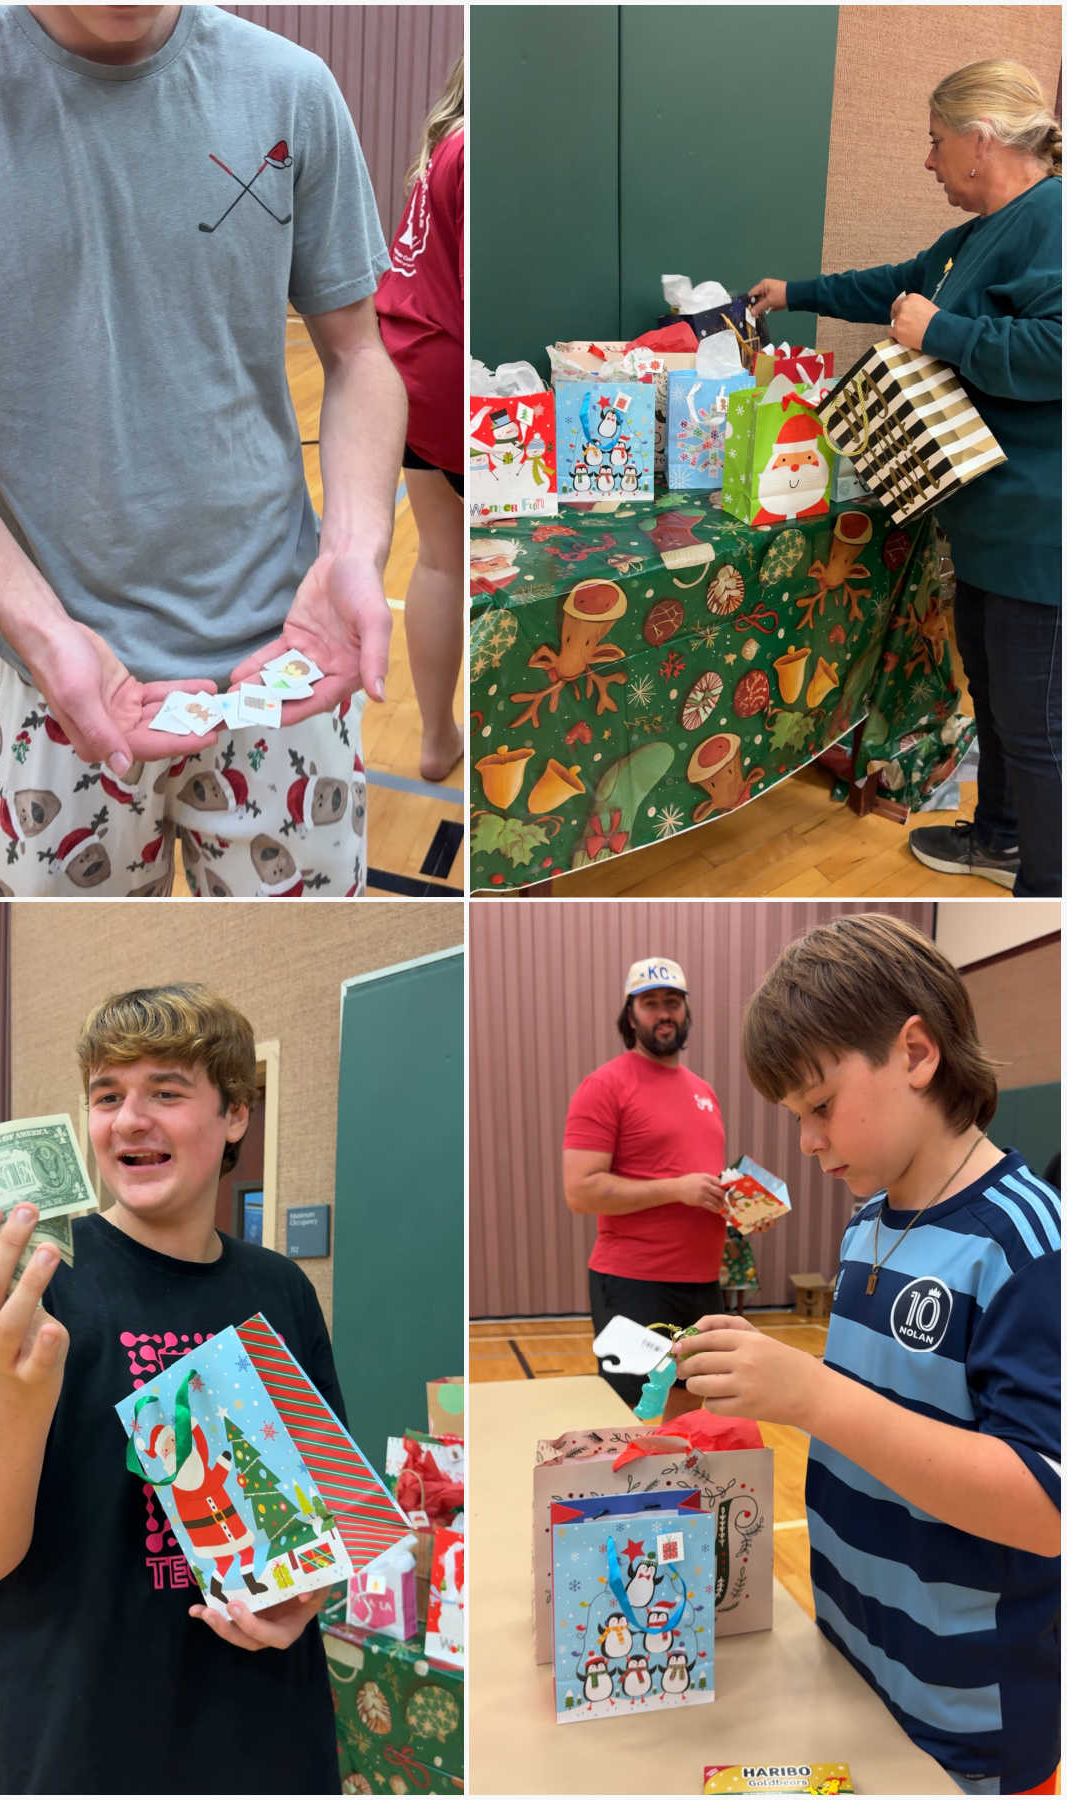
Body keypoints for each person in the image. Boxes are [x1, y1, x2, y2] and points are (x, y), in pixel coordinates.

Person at [0, 5, 406, 897]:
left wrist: (354, 549)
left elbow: (357, 356)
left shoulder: (291, 88)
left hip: (285, 660)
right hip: (49, 680)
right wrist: (45, 636)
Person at [0, 983, 346, 1794]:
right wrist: (14, 1386)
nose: (128, 1119)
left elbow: (327, 1515)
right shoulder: (29, 1279)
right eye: (108, 1096)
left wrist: (309, 1597)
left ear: (235, 1113)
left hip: (263, 1735)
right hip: (71, 1743)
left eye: (166, 1093)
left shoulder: (281, 1289)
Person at [676, 915, 1060, 1797]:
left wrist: (812, 1396)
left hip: (970, 1718)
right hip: (856, 1660)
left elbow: (1045, 1507)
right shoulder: (866, 1223)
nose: (806, 1141)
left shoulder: (1025, 1243)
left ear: (917, 1054)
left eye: (819, 1107)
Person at [749, 60, 1061, 899]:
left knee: (1035, 730)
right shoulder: (973, 238)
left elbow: (1057, 351)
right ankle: (998, 839)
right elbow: (893, 288)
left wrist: (944, 333)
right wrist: (794, 291)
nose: (928, 163)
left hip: (1039, 533)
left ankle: (1048, 889)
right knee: (993, 703)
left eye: (934, 143)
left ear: (979, 142)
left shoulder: (1054, 220)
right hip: (987, 522)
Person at [562, 956, 729, 1417]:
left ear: (685, 1010)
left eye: (672, 1002)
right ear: (631, 1015)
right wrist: (677, 1190)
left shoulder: (704, 1092)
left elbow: (700, 1185)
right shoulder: (604, 1086)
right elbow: (580, 1192)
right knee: (635, 1413)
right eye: (651, 1003)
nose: (663, 1013)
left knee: (694, 1410)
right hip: (635, 1283)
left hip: (702, 1283)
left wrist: (741, 1209)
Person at [374, 56, 464, 783]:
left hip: (405, 356)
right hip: (445, 371)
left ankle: (439, 739)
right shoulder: (476, 154)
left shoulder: (444, 145)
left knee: (439, 556)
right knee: (472, 560)